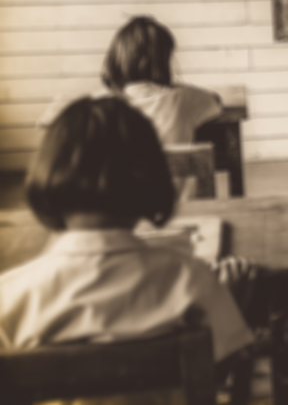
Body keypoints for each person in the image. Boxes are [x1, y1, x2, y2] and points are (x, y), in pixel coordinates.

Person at [0, 97, 254, 386]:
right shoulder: (192, 282)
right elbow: (213, 378)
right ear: (151, 182)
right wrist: (234, 299)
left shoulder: (10, 298)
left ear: (45, 176)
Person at [100, 15, 224, 146]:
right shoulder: (184, 98)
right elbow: (215, 101)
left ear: (116, 58)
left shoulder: (101, 107)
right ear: (163, 60)